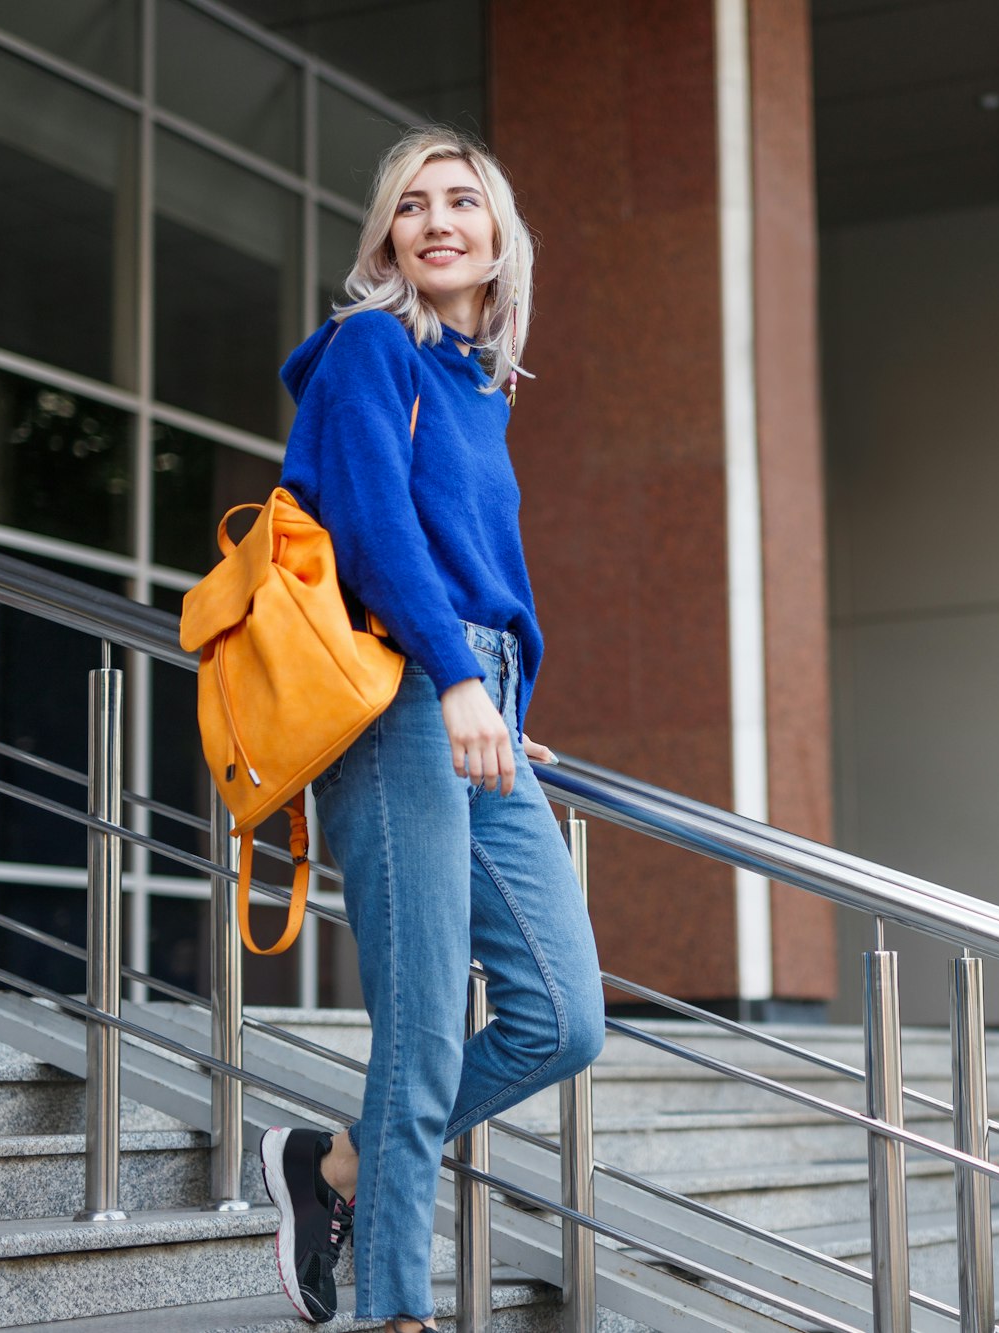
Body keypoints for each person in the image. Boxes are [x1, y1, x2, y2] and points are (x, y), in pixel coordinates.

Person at [254, 126, 605, 1333]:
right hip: (404, 694)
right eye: (412, 206)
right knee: (419, 1030)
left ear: (499, 235)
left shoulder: (475, 382)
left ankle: (331, 1167)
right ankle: (397, 1312)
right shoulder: (367, 351)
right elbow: (373, 531)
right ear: (388, 240)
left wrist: (508, 706)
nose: (438, 220)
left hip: (474, 704)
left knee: (564, 1016)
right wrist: (457, 679)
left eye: (463, 201)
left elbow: (485, 560)